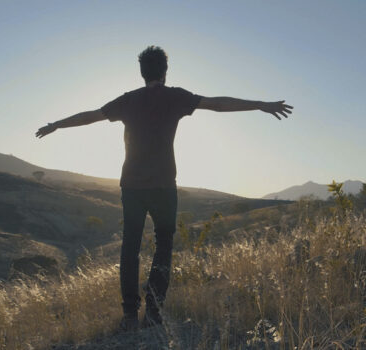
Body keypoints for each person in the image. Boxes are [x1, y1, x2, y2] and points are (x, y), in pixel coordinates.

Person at [36, 45, 293, 331]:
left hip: (131, 186)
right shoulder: (175, 97)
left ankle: (130, 315)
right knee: (164, 247)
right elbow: (218, 104)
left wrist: (57, 125)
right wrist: (260, 104)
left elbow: (90, 116)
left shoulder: (128, 100)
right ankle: (154, 312)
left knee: (130, 248)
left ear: (142, 72)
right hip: (163, 187)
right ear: (165, 72)